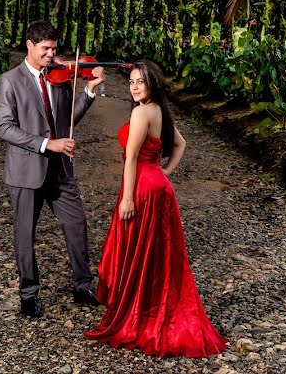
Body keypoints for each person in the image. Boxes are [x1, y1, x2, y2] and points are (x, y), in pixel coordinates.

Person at [85, 60, 227, 358]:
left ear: (153, 85)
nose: (134, 87)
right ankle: (151, 305)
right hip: (158, 187)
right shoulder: (161, 111)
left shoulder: (140, 112)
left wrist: (127, 199)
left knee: (139, 250)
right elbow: (180, 144)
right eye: (132, 82)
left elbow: (132, 158)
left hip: (142, 189)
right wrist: (165, 174)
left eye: (140, 82)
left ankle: (139, 312)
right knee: (157, 253)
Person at [0, 20, 105, 318]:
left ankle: (83, 286)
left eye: (54, 49)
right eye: (45, 49)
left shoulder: (59, 79)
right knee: (24, 233)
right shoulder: (10, 80)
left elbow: (69, 120)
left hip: (60, 170)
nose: (51, 55)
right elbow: (5, 128)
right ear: (29, 46)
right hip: (25, 172)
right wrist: (47, 144)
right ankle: (28, 294)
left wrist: (90, 92)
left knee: (76, 224)